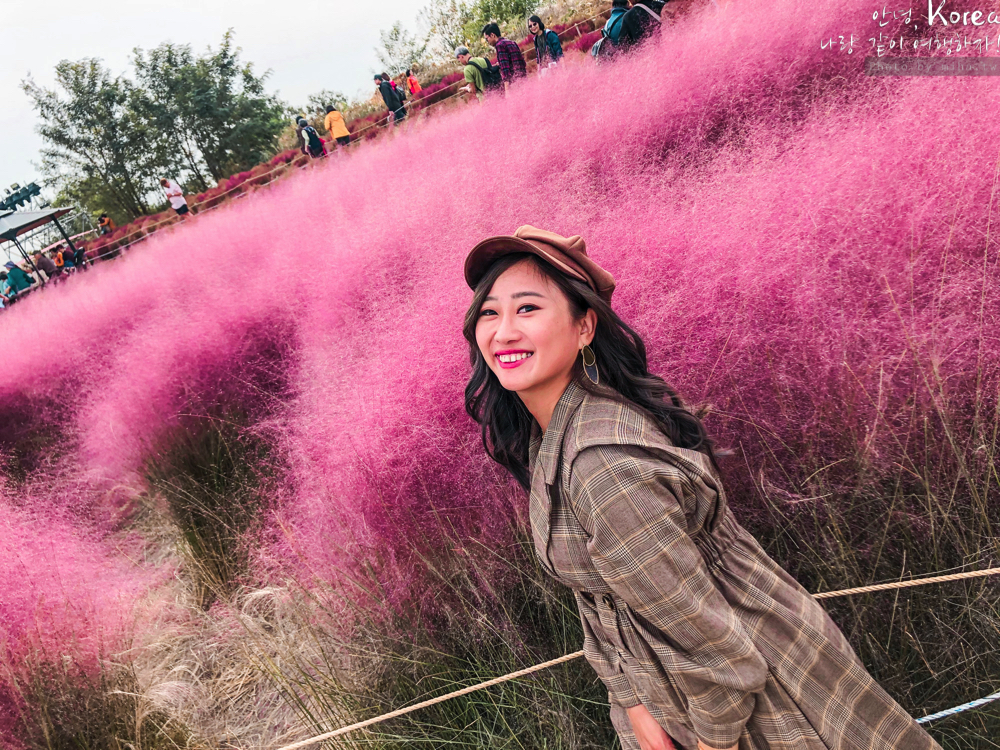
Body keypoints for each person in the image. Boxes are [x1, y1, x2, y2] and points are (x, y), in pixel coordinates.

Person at [461, 225, 943, 750]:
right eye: (490, 312)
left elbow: (716, 650)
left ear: (584, 328)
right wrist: (632, 701)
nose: (503, 331)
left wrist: (713, 740)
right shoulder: (554, 431)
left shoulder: (604, 468)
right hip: (687, 690)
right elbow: (600, 595)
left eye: (527, 309)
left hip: (752, 699)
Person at [482, 22, 527, 91]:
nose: (487, 41)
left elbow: (505, 70)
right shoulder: (511, 42)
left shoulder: (499, 46)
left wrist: (507, 91)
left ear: (492, 35)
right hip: (523, 79)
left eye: (487, 38)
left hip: (514, 84)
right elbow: (522, 62)